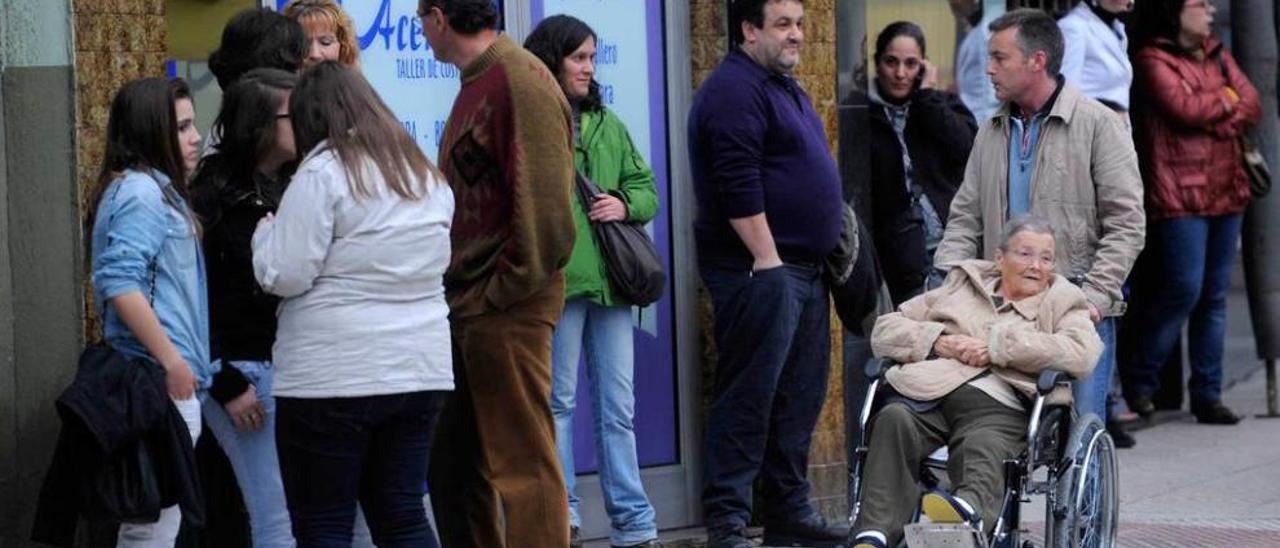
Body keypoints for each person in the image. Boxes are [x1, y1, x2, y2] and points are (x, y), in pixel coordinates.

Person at [251, 62, 455, 546]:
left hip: (332, 379)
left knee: (324, 523)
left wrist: (264, 236)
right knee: (402, 513)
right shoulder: (424, 176)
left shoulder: (322, 171)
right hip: (419, 370)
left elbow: (286, 273)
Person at [933, 8, 1145, 432]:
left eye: (999, 58)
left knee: (1081, 431)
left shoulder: (1099, 125)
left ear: (1038, 61)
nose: (988, 68)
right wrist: (950, 285)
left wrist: (1097, 298)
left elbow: (1127, 222)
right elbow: (963, 217)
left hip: (1076, 308)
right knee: (993, 431)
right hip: (1002, 309)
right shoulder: (991, 128)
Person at [687, 1, 847, 547]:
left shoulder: (781, 86)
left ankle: (787, 511)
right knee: (749, 398)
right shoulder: (735, 89)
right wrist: (767, 259)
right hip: (761, 270)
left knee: (797, 398)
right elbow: (737, 182)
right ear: (748, 29)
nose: (797, 35)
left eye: (800, 24)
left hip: (802, 271)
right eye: (783, 25)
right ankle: (728, 523)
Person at [417, 0, 576, 546]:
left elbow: (550, 220)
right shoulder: (479, 79)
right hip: (471, 305)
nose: (421, 31)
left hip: (505, 306)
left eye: (421, 18)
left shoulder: (518, 79)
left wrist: (497, 295)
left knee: (522, 465)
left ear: (439, 17)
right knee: (458, 467)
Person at [851, 216, 1103, 548]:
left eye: (1046, 258)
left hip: (1001, 401)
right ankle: (875, 533)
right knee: (893, 420)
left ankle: (964, 515)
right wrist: (936, 339)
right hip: (929, 391)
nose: (1036, 266)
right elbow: (885, 329)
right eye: (1025, 254)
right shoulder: (961, 285)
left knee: (983, 441)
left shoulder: (1063, 300)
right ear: (999, 258)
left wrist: (998, 348)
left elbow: (1081, 353)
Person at [523, 15, 662, 548]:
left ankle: (633, 522)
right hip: (558, 282)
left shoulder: (608, 121)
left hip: (611, 286)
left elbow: (645, 186)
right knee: (557, 405)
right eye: (578, 57)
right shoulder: (535, 119)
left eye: (592, 58)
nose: (587, 68)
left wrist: (625, 203)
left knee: (616, 409)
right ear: (552, 58)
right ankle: (562, 517)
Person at [1121, 0, 1261, 425]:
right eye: (1200, 4)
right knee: (1183, 289)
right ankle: (1140, 382)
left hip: (1227, 188)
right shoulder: (1152, 59)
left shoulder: (1218, 52)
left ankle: (1208, 394)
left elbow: (1252, 103)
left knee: (1214, 299)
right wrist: (1225, 101)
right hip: (1179, 194)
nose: (1211, 12)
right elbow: (1182, 111)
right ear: (1176, 12)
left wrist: (1217, 105)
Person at [86, 76, 208, 547]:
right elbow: (120, 282)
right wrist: (173, 362)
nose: (195, 137)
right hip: (157, 380)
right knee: (153, 527)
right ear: (150, 131)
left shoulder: (144, 189)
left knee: (153, 523)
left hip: (158, 377)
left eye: (192, 124)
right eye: (181, 127)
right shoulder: (141, 192)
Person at [189, 68, 298, 548]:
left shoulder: (299, 181)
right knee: (274, 514)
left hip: (292, 366)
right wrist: (222, 378)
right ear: (259, 124)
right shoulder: (214, 195)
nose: (307, 122)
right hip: (242, 371)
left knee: (303, 509)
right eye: (294, 114)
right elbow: (193, 298)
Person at [1057, 0, 1138, 448]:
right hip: (1089, 157)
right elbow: (1066, 94)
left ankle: (1106, 402)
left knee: (1116, 280)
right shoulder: (1075, 28)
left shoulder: (1116, 29)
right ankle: (1096, 409)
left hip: (1116, 146)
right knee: (1099, 278)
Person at [868, 21, 977, 304]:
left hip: (950, 245)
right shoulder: (861, 113)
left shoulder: (941, 104)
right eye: (891, 62)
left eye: (911, 63)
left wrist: (927, 97)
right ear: (877, 63)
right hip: (899, 255)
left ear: (924, 66)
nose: (900, 73)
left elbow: (966, 149)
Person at [952, 0, 1001, 122]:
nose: (951, 3)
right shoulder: (975, 32)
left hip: (981, 126)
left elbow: (989, 96)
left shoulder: (986, 33)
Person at [283, 0, 360, 69]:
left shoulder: (355, 84)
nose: (315, 54)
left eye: (325, 42)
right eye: (304, 44)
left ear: (343, 48)